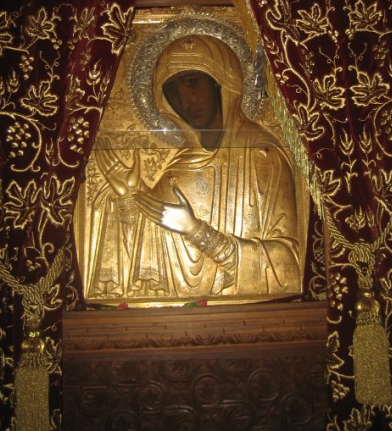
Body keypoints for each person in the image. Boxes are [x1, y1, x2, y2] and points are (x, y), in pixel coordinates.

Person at [90, 34, 301, 301]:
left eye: (192, 83)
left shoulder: (262, 156)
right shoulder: (178, 169)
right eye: (173, 93)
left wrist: (197, 231)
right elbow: (146, 267)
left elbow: (288, 268)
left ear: (222, 81)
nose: (185, 102)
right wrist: (128, 197)